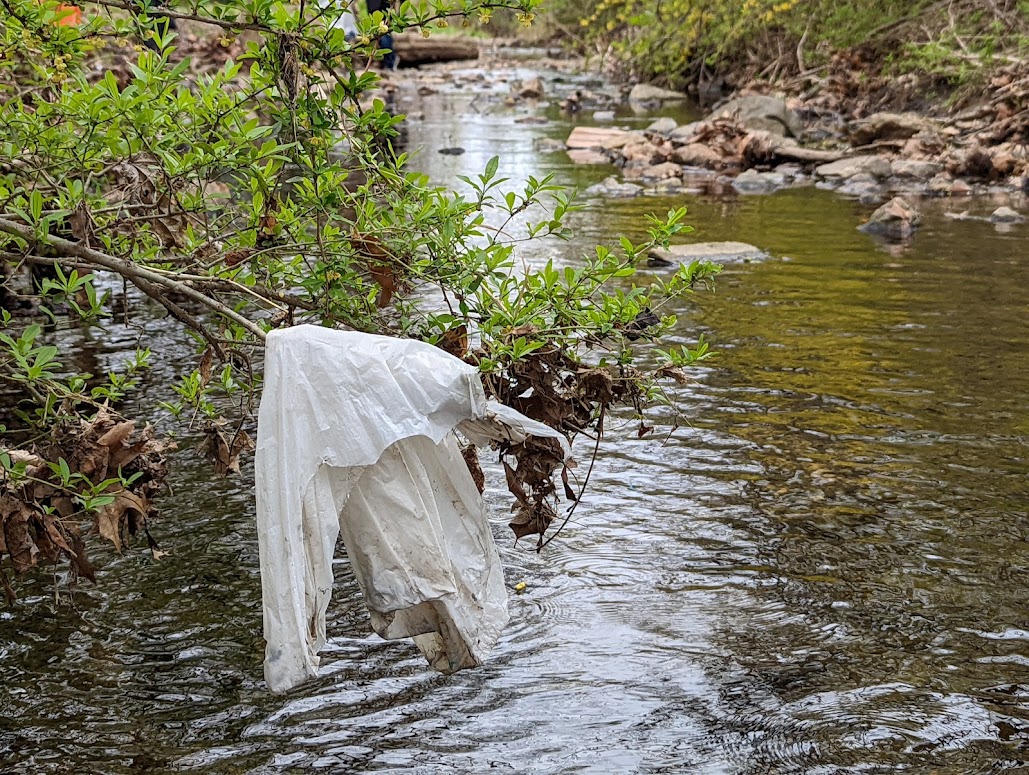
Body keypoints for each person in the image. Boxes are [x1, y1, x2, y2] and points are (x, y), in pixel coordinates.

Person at [366, 0, 396, 71]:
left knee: (384, 36)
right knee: (380, 35)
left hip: (384, 8)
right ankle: (389, 60)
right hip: (374, 8)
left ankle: (390, 62)